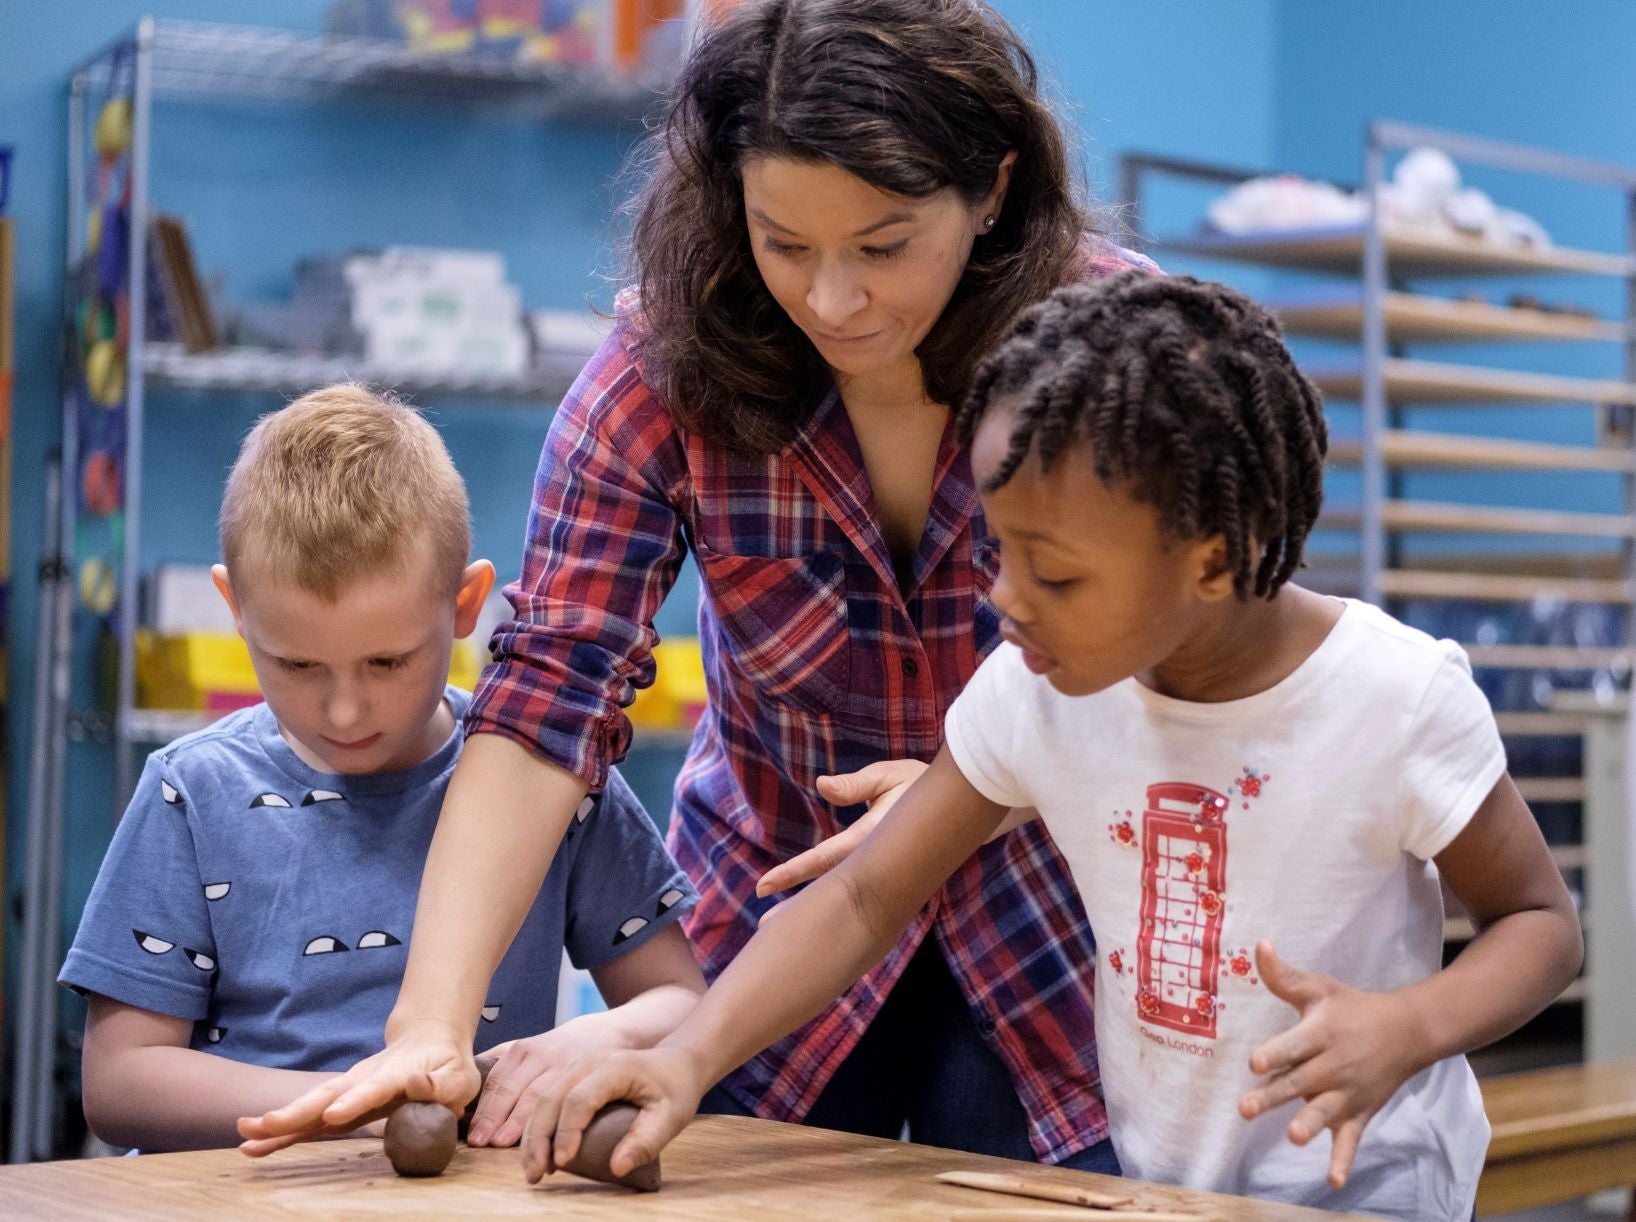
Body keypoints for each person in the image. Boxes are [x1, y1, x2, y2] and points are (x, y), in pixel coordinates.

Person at [240, 0, 1154, 1170]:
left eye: (883, 246)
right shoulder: (656, 376)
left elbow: (1200, 667)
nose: (833, 300)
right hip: (778, 941)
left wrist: (984, 788)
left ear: (993, 187)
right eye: (784, 241)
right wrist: (430, 1023)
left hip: (1058, 934)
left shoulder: (1109, 347)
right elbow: (543, 706)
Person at [537, 275, 1585, 1220]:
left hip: (1368, 1192)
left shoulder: (1394, 697)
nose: (1005, 599)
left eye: (1057, 574)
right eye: (1001, 552)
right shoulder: (1035, 693)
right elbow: (864, 898)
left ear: (1212, 559)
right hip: (1150, 1183)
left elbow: (1538, 923)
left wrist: (1408, 1025)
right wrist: (685, 1059)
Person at [59, 385, 704, 1152]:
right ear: (235, 609)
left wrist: (586, 1045)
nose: (343, 711)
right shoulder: (190, 793)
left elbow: (681, 1002)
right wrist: (363, 1100)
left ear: (467, 605)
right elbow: (121, 1083)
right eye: (297, 663)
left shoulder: (551, 776)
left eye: (388, 661)